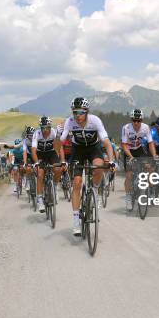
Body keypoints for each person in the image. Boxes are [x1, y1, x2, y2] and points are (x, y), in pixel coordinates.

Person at [59, 97, 116, 236]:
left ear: (87, 111)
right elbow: (59, 144)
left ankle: (95, 192)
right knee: (77, 183)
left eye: (81, 112)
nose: (78, 115)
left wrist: (112, 160)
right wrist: (58, 136)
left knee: (99, 166)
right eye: (75, 112)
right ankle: (75, 219)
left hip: (93, 148)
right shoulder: (69, 122)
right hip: (77, 150)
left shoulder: (95, 120)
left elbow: (107, 142)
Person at [120, 109, 157, 208]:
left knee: (150, 168)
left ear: (141, 120)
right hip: (128, 151)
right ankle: (128, 197)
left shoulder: (146, 128)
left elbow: (150, 143)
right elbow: (124, 145)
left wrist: (154, 155)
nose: (136, 123)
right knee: (129, 175)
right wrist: (131, 157)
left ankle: (152, 190)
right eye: (134, 120)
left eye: (138, 121)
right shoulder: (126, 128)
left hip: (139, 150)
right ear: (131, 120)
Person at [32, 116, 62, 212]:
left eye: (47, 127)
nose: (45, 130)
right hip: (40, 154)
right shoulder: (37, 134)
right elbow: (33, 150)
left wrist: (58, 135)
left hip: (51, 153)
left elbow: (58, 148)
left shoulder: (54, 132)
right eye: (43, 127)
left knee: (58, 169)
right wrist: (36, 163)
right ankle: (40, 199)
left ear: (50, 126)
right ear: (40, 127)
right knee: (40, 174)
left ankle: (55, 188)